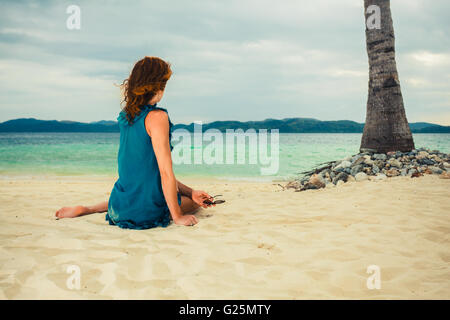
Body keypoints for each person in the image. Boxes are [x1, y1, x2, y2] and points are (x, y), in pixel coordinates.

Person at [55, 56, 214, 228]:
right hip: (145, 211)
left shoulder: (126, 116)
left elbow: (148, 172)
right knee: (194, 204)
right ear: (158, 86)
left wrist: (192, 191)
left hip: (119, 204)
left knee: (147, 191)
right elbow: (165, 173)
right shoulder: (157, 117)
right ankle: (180, 206)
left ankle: (89, 209)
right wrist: (178, 216)